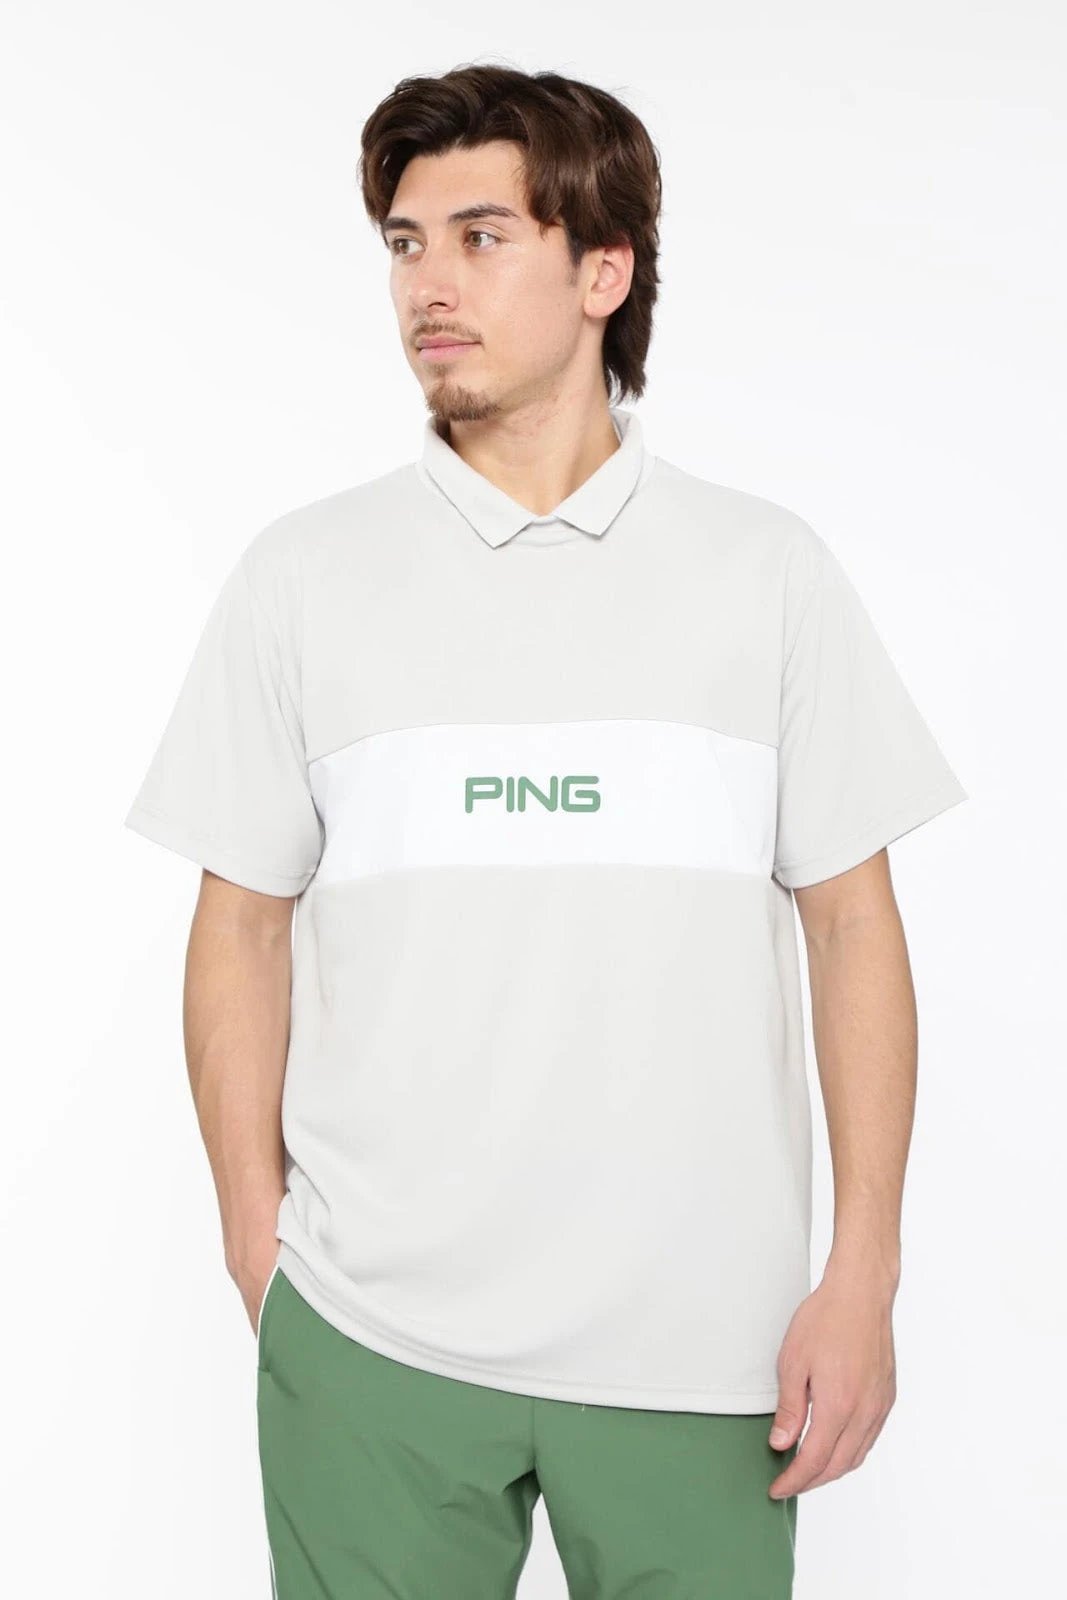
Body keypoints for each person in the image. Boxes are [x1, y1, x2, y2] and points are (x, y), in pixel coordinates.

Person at [123, 62, 968, 1600]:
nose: (427, 286)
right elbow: (238, 923)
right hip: (372, 1343)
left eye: (480, 236)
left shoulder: (765, 574)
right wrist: (262, 1249)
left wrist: (864, 1274)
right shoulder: (302, 580)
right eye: (404, 244)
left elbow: (854, 922)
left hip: (700, 1348)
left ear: (604, 271)